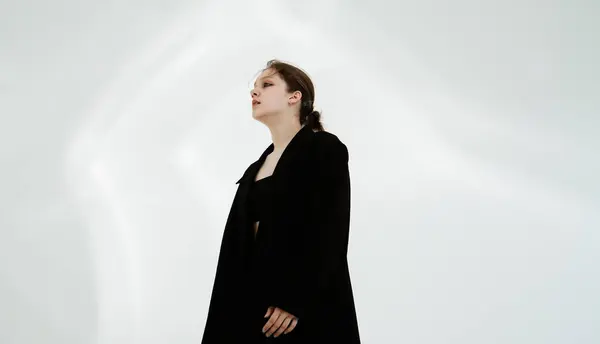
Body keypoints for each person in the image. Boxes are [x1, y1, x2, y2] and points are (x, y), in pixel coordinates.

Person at [201, 59, 361, 343]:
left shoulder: (324, 148)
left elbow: (331, 230)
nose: (255, 93)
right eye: (254, 88)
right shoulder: (255, 169)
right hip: (250, 305)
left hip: (299, 308)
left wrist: (294, 298)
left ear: (294, 96)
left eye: (267, 84)